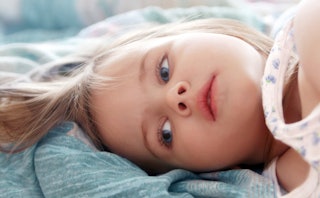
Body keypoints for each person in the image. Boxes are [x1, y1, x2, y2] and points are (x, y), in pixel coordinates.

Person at [0, 0, 319, 196]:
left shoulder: (307, 26)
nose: (174, 98)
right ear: (206, 171)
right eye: (165, 134)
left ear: (207, 28)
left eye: (163, 71)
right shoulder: (291, 183)